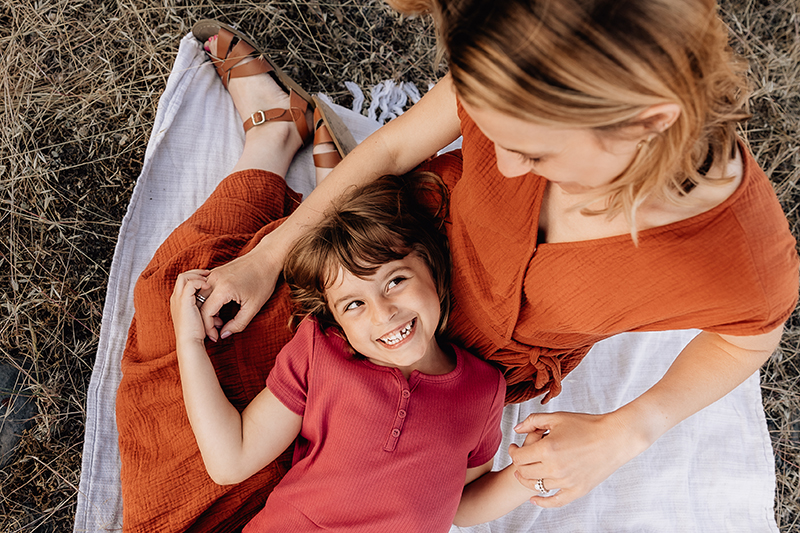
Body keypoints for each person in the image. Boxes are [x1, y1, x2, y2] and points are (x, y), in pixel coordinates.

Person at [190, 0, 799, 513]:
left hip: (467, 363)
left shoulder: (741, 263)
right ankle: (280, 143)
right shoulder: (517, 54)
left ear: (645, 123)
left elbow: (748, 338)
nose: (504, 169)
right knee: (204, 338)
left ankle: (322, 179)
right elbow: (400, 146)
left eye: (532, 153)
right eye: (488, 132)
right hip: (399, 244)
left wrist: (626, 431)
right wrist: (271, 253)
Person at [169, 172, 539, 530]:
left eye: (395, 280)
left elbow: (461, 504)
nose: (383, 313)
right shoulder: (322, 353)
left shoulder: (483, 388)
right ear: (336, 320)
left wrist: (530, 475)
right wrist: (188, 342)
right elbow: (231, 459)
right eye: (353, 305)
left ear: (432, 268)